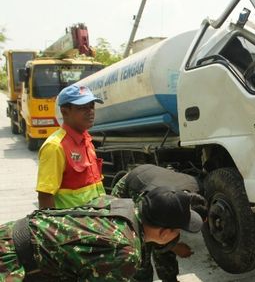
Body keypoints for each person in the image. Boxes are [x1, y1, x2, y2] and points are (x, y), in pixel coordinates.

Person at [0, 186, 203, 281]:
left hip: (10, 233)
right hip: (10, 261)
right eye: (178, 232)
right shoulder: (125, 250)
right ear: (164, 233)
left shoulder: (119, 204)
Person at [111, 164, 207, 282]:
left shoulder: (191, 193)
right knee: (142, 256)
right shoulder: (159, 202)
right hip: (133, 186)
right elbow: (158, 238)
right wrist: (175, 247)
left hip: (152, 178)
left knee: (166, 241)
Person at [36, 85, 105, 209]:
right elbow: (45, 196)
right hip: (73, 224)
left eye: (91, 106)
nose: (90, 111)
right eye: (83, 107)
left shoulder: (87, 140)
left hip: (94, 220)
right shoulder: (55, 146)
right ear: (65, 111)